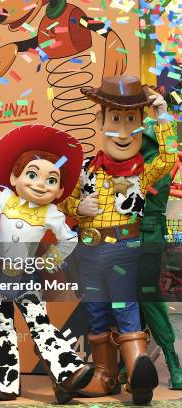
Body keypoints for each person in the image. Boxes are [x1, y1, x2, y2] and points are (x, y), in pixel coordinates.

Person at [61, 75, 177, 404]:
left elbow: (168, 159)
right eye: (115, 119)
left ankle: (137, 372)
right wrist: (79, 207)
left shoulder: (142, 171)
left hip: (126, 249)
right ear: (100, 121)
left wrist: (163, 116)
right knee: (97, 311)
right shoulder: (86, 169)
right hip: (90, 251)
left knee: (126, 307)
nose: (123, 131)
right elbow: (66, 202)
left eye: (131, 120)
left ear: (141, 125)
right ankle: (104, 376)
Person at [0, 124, 93, 403]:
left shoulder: (52, 213)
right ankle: (3, 383)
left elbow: (69, 239)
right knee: (3, 326)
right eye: (32, 175)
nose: (41, 184)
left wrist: (49, 261)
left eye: (50, 180)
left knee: (40, 324)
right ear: (14, 177)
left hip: (27, 276)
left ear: (60, 190)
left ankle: (68, 371)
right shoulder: (5, 198)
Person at [135, 118, 181, 390]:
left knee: (149, 297)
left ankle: (173, 360)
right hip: (119, 237)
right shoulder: (122, 162)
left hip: (148, 236)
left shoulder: (156, 164)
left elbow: (168, 157)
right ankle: (127, 363)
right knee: (121, 301)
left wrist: (164, 119)